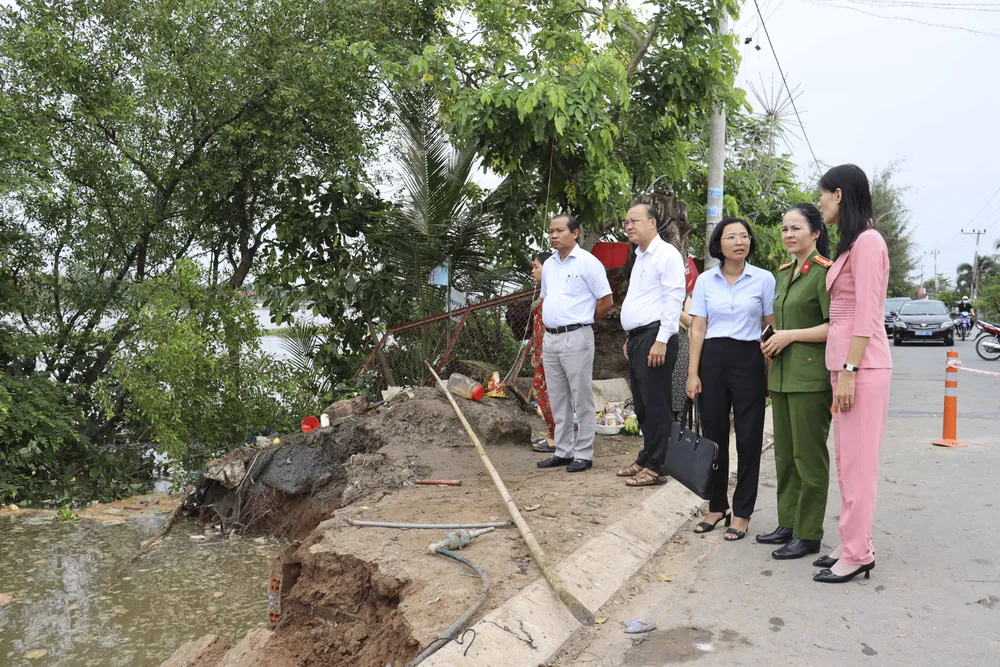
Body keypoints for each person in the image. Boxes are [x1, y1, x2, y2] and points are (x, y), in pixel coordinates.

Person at [813, 164, 892, 583]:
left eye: (822, 194)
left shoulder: (868, 242)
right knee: (846, 461)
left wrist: (849, 370)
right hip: (845, 366)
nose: (819, 202)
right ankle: (852, 543)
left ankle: (858, 552)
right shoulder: (850, 244)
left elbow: (866, 314)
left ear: (839, 195)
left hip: (861, 367)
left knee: (858, 464)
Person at [687, 218, 775, 541]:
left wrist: (768, 370)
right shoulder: (706, 282)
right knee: (714, 437)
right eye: (731, 236)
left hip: (749, 359)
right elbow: (698, 327)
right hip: (712, 360)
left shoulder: (764, 280)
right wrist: (692, 373)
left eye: (744, 236)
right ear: (718, 244)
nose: (740, 241)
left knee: (749, 439)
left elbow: (770, 326)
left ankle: (742, 512)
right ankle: (716, 505)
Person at [757, 204, 834, 560]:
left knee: (809, 458)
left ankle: (808, 533)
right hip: (783, 376)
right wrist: (772, 339)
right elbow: (781, 322)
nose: (788, 234)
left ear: (816, 232)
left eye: (796, 228)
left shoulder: (824, 273)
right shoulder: (784, 272)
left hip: (810, 378)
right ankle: (788, 522)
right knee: (786, 457)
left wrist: (788, 336)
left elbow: (834, 326)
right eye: (785, 228)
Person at [616, 203, 686, 487]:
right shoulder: (640, 256)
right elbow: (641, 300)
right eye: (626, 222)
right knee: (643, 404)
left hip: (657, 336)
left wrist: (661, 340)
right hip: (639, 338)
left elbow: (673, 298)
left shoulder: (666, 255)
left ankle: (659, 466)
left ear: (652, 223)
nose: (628, 226)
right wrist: (629, 338)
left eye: (634, 221)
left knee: (657, 404)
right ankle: (647, 456)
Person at [537, 214, 614, 473]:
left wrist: (583, 323)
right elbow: (546, 298)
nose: (553, 235)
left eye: (559, 230)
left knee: (581, 397)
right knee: (558, 397)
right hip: (551, 337)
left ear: (576, 233)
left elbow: (606, 301)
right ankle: (563, 450)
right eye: (551, 231)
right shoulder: (549, 265)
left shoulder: (588, 263)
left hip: (577, 335)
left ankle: (583, 453)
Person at [527, 251, 557, 453]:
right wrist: (534, 352)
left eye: (536, 266)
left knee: (547, 393)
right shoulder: (544, 292)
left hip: (550, 351)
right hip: (541, 352)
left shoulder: (555, 292)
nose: (532, 270)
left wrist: (546, 351)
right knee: (541, 392)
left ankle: (557, 437)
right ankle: (553, 433)